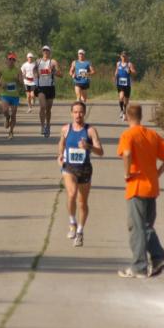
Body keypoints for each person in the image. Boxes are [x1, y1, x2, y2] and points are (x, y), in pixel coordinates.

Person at [116, 103, 164, 278]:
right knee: (146, 226)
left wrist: (127, 172)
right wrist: (158, 172)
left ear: (127, 117)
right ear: (141, 116)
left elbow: (127, 154)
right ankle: (158, 259)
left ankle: (139, 267)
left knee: (137, 228)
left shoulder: (128, 135)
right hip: (152, 186)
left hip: (136, 186)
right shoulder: (151, 134)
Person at [57, 101, 103, 247]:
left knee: (82, 203)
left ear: (85, 113)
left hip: (84, 169)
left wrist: (88, 146)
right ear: (71, 113)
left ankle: (80, 232)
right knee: (71, 194)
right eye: (75, 112)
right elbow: (61, 143)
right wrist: (60, 155)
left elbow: (100, 152)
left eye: (81, 112)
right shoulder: (66, 129)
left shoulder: (90, 131)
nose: (78, 115)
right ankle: (72, 222)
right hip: (69, 167)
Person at [35, 45, 62, 138]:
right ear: (42, 52)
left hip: (50, 87)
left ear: (49, 52)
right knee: (42, 107)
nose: (45, 52)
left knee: (48, 109)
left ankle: (48, 124)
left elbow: (61, 74)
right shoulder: (38, 61)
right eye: (44, 51)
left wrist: (53, 72)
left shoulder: (53, 62)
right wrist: (36, 74)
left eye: (47, 51)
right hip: (41, 87)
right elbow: (34, 72)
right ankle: (42, 126)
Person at [0, 52, 24, 139]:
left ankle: (11, 131)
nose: (11, 61)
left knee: (14, 114)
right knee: (5, 110)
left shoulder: (18, 70)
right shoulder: (2, 70)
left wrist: (18, 79)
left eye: (13, 59)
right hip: (5, 94)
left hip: (15, 95)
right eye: (10, 59)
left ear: (15, 61)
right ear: (7, 60)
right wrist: (0, 84)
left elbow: (22, 83)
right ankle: (7, 118)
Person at [115, 51, 137, 121]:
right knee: (121, 97)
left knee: (126, 101)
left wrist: (130, 71)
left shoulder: (129, 64)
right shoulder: (118, 63)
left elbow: (134, 72)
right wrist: (115, 76)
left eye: (125, 56)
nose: (123, 58)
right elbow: (116, 71)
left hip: (127, 84)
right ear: (120, 56)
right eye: (122, 56)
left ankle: (124, 111)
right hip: (120, 83)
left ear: (127, 57)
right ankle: (121, 110)